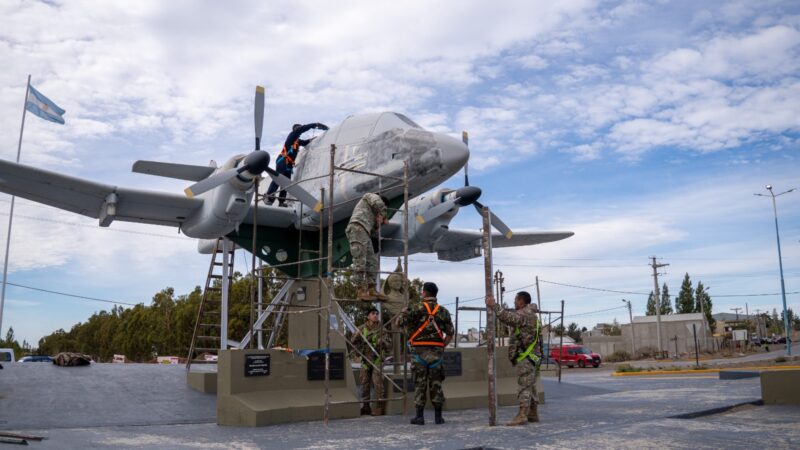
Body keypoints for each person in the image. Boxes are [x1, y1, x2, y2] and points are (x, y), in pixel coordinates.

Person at [399, 282, 454, 425]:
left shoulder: (415, 308)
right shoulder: (443, 311)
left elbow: (399, 323)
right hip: (436, 354)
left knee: (419, 384)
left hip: (418, 353)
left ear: (424, 293)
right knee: (436, 384)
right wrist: (441, 346)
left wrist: (403, 312)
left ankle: (419, 417)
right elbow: (450, 333)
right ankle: (438, 417)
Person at [486, 290, 541, 426]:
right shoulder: (532, 314)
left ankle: (522, 415)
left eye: (516, 300)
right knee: (529, 385)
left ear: (522, 301)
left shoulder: (525, 314)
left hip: (526, 356)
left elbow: (508, 318)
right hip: (531, 356)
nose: (515, 303)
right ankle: (533, 413)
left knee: (524, 386)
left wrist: (494, 306)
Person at [266, 122, 329, 206]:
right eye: (298, 128)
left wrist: (312, 139)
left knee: (286, 182)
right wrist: (315, 125)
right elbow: (302, 129)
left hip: (289, 164)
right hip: (283, 160)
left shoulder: (297, 141)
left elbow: (305, 142)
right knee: (279, 177)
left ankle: (281, 201)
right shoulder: (292, 136)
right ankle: (269, 196)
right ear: (295, 129)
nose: (299, 128)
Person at [346, 193, 389, 301]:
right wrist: (383, 214)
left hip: (364, 231)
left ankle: (372, 289)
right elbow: (377, 203)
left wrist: (379, 223)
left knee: (372, 261)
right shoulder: (370, 196)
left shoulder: (372, 213)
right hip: (357, 227)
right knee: (360, 259)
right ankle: (360, 290)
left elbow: (374, 229)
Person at [350, 307, 391, 416]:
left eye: (377, 313)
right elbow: (353, 342)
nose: (376, 315)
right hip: (365, 360)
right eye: (373, 313)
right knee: (365, 385)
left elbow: (388, 345)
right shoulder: (362, 328)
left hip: (377, 359)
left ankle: (378, 408)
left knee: (378, 385)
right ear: (368, 316)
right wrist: (357, 349)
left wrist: (382, 342)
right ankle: (366, 406)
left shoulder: (382, 329)